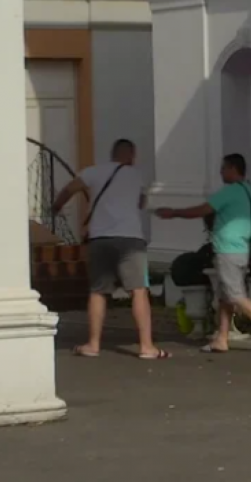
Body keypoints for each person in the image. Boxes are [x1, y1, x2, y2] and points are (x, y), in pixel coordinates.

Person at [52, 139, 169, 360]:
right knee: (139, 291)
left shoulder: (93, 172)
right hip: (131, 239)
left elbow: (69, 189)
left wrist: (57, 206)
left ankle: (93, 344)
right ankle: (147, 346)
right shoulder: (136, 175)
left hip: (100, 238)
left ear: (113, 153)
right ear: (131, 155)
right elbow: (141, 202)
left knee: (98, 291)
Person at [155, 153, 251, 354]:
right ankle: (221, 338)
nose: (221, 172)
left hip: (228, 250)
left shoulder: (229, 192)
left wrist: (175, 213)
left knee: (236, 295)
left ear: (233, 169)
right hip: (242, 249)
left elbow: (204, 209)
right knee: (224, 297)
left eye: (223, 168)